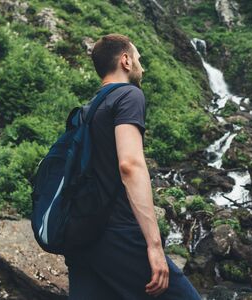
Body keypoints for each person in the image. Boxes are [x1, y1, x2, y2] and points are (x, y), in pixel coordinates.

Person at [63, 33, 202, 299]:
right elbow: (130, 165)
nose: (142, 65)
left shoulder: (88, 109)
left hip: (81, 236)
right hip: (117, 233)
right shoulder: (128, 95)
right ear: (125, 60)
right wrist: (154, 246)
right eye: (139, 58)